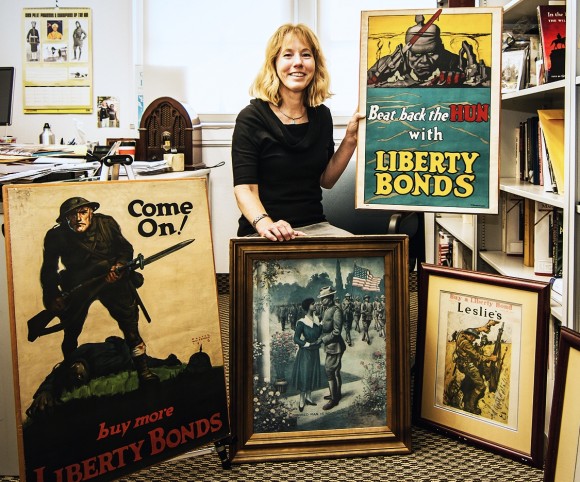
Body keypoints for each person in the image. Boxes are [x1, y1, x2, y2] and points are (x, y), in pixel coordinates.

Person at [232, 23, 365, 242]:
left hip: (316, 227)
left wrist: (351, 139)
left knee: (366, 260)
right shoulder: (251, 118)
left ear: (315, 64)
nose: (298, 63)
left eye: (306, 55)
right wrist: (267, 225)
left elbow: (326, 180)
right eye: (288, 55)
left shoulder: (322, 115)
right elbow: (244, 189)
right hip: (264, 230)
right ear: (274, 63)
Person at [38, 197, 159, 385]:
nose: (78, 218)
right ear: (65, 219)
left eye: (83, 212)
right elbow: (49, 268)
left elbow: (125, 249)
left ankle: (144, 372)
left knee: (130, 328)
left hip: (111, 281)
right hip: (79, 285)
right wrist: (52, 295)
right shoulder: (56, 236)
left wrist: (119, 266)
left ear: (91, 212)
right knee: (71, 331)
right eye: (72, 215)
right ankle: (71, 374)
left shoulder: (106, 224)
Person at [26, 336, 181, 419]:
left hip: (121, 345)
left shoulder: (71, 360)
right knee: (155, 363)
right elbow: (127, 359)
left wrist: (45, 391)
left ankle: (170, 361)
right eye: (79, 377)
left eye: (76, 372)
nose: (77, 372)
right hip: (126, 352)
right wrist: (45, 392)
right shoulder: (103, 365)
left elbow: (55, 375)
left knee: (155, 362)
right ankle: (170, 361)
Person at [367, 13, 490, 87]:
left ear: (440, 49)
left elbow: (491, 81)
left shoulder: (450, 60)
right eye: (416, 55)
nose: (424, 61)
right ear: (407, 53)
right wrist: (381, 75)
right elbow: (366, 86)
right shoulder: (392, 63)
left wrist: (473, 69)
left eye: (431, 53)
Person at [454, 321, 498, 415]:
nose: (473, 339)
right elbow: (477, 356)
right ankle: (470, 406)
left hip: (464, 365)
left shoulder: (461, 336)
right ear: (468, 335)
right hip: (469, 366)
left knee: (470, 383)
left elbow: (467, 331)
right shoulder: (466, 343)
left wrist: (483, 328)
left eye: (475, 337)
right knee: (481, 386)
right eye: (472, 336)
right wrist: (490, 358)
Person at [291, 298, 323, 412]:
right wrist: (308, 344)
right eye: (313, 304)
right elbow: (296, 339)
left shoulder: (317, 320)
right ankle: (301, 399)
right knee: (304, 374)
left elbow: (320, 334)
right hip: (305, 353)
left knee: (312, 374)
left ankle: (309, 398)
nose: (315, 305)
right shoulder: (301, 322)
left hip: (315, 352)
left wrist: (320, 337)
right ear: (307, 306)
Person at [317, 286, 346, 410]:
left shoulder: (336, 311)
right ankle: (336, 394)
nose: (322, 301)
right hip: (331, 346)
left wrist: (322, 340)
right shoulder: (326, 309)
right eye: (322, 299)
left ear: (330, 298)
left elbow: (336, 332)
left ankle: (334, 400)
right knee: (335, 371)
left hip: (336, 346)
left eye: (324, 298)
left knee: (329, 371)